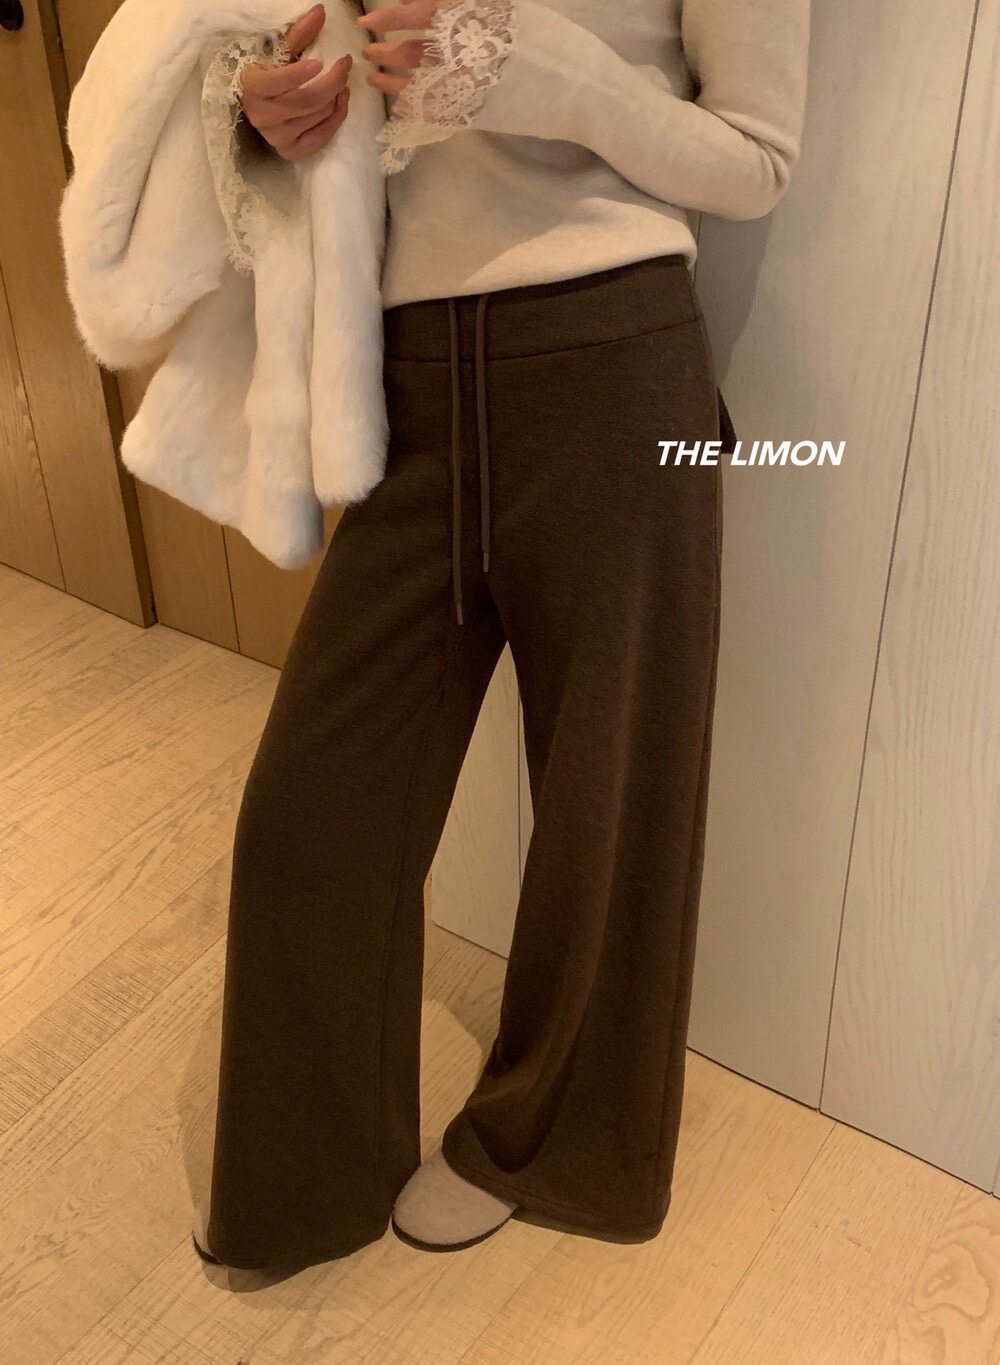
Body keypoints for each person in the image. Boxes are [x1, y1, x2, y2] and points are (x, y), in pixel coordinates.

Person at [194, 0, 811, 1269]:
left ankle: (556, 1146)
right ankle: (309, 1176)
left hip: (611, 360)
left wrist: (547, 72)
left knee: (610, 798)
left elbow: (756, 161)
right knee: (314, 804)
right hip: (399, 370)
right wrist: (267, 112)